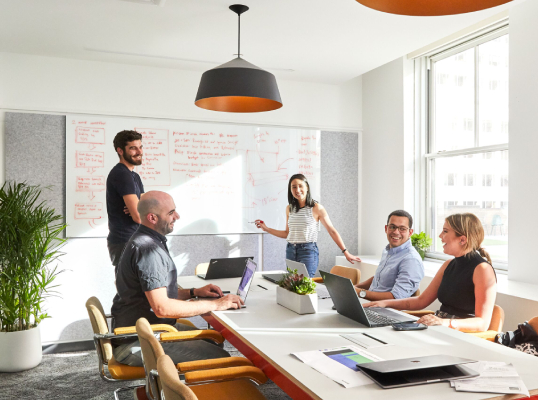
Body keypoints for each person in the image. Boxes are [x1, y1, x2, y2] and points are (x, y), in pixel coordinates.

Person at [110, 191, 244, 366]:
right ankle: (176, 390)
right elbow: (162, 308)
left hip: (146, 330)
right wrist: (217, 304)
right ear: (152, 218)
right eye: (171, 212)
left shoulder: (148, 240)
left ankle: (162, 388)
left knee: (213, 341)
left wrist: (193, 292)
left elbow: (156, 295)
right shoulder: (148, 250)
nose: (177, 216)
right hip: (137, 341)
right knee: (222, 359)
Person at [364, 213, 497, 332]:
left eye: (445, 231)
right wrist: (384, 303)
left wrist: (444, 322)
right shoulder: (448, 265)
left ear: (462, 239)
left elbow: (482, 323)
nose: (440, 236)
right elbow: (421, 301)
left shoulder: (482, 270)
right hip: (439, 327)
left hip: (457, 333)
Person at [254, 174, 360, 277]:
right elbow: (287, 233)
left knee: (304, 285)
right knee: (293, 286)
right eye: (294, 187)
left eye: (300, 186)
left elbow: (331, 230)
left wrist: (345, 252)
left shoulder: (316, 207)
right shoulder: (289, 208)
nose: (297, 190)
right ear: (290, 190)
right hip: (291, 250)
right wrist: (266, 228)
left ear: (307, 187)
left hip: (307, 251)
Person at [353, 210, 424, 301]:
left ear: (410, 232)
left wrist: (359, 292)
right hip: (369, 303)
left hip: (384, 309)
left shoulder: (411, 260)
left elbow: (396, 297)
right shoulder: (388, 251)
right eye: (392, 227)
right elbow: (379, 278)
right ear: (386, 229)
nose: (396, 232)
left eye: (402, 229)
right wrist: (353, 288)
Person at [106, 130, 145, 269]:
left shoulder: (134, 176)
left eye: (140, 147)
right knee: (129, 290)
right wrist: (139, 209)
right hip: (125, 241)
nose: (139, 152)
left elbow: (143, 207)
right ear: (120, 151)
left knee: (140, 289)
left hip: (134, 240)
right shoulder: (122, 174)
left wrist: (140, 207)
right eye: (133, 148)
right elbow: (139, 216)